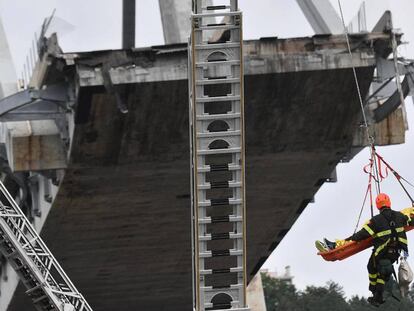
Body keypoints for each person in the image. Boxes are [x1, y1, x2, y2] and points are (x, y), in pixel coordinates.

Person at [316, 193, 414, 307]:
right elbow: (411, 221)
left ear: (378, 206)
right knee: (383, 272)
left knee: (372, 267)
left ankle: (374, 291)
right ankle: (377, 295)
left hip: (381, 253)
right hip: (396, 252)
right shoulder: (400, 216)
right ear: (389, 203)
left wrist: (350, 239)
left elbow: (361, 235)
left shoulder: (376, 221)